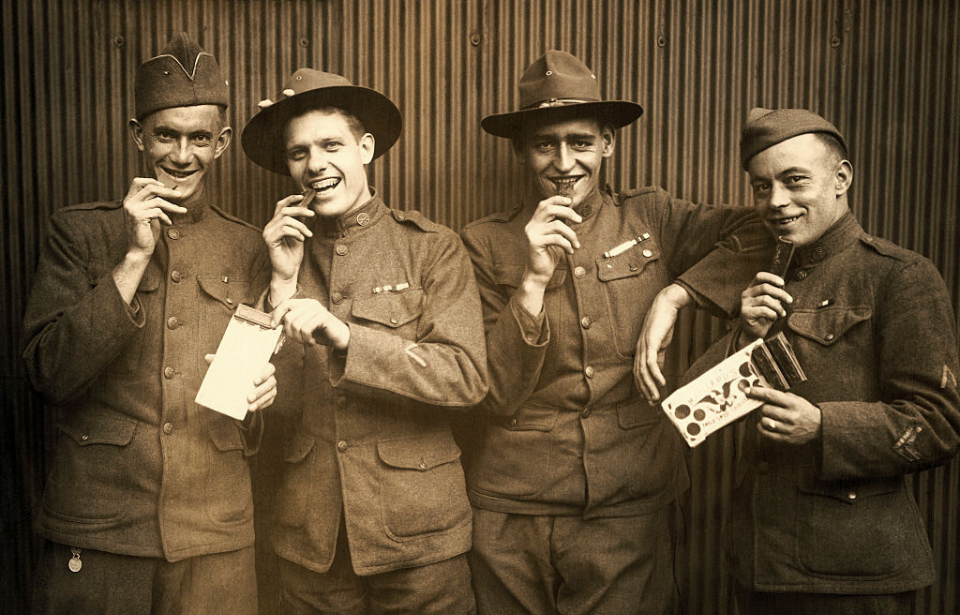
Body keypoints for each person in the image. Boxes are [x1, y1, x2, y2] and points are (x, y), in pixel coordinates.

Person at [458, 50, 768, 615]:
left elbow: (762, 229)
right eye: (544, 145)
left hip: (630, 503)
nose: (563, 162)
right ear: (521, 152)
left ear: (608, 143)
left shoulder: (651, 217)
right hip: (512, 508)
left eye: (580, 142)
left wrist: (678, 295)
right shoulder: (483, 243)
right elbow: (494, 392)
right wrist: (530, 280)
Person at [21, 33, 277, 614]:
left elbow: (251, 418)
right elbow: (47, 375)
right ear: (139, 135)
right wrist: (133, 257)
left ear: (223, 143)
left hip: (214, 534)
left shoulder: (248, 246)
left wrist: (260, 398)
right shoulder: (80, 233)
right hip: (100, 530)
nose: (182, 155)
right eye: (166, 135)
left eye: (199, 138)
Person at [689, 108, 960, 614]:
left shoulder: (900, 277)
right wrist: (745, 335)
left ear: (841, 178)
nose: (776, 202)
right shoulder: (765, 279)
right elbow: (694, 418)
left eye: (794, 181)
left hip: (854, 578)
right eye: (761, 187)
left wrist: (823, 427)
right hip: (760, 566)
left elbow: (940, 425)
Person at [240, 68, 487, 614]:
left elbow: (466, 376)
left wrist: (349, 338)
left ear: (366, 148)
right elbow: (245, 403)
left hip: (420, 539)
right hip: (312, 542)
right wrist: (281, 282)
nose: (315, 165)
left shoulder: (431, 249)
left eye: (331, 145)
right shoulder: (274, 255)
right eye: (299, 153)